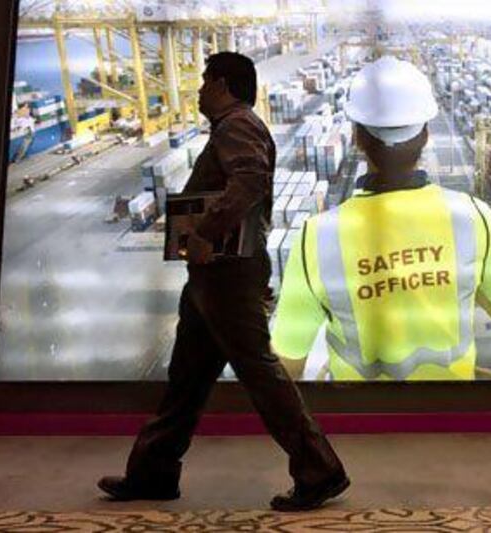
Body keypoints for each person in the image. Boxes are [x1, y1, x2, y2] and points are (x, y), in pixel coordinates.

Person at [98, 52, 349, 512]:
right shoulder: (236, 125)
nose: (196, 91)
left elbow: (250, 179)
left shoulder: (237, 125)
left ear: (223, 85)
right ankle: (153, 472)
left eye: (203, 82)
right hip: (214, 279)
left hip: (226, 278)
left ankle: (320, 470)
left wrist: (205, 232)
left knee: (259, 372)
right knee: (186, 378)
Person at [272, 56, 491, 381]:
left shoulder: (316, 238)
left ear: (356, 137)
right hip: (454, 415)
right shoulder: (473, 216)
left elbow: (288, 362)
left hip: (363, 425)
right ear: (425, 135)